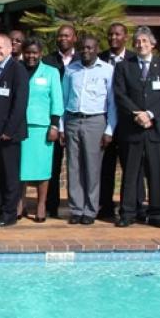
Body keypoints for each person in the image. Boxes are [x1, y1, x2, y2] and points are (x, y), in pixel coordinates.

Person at [60, 36, 116, 225]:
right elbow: (64, 99)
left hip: (95, 121)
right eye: (83, 48)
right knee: (74, 167)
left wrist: (109, 129)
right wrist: (61, 126)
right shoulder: (71, 70)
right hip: (73, 120)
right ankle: (76, 209)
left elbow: (112, 103)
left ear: (97, 49)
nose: (86, 51)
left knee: (92, 168)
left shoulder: (107, 70)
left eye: (90, 48)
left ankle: (90, 210)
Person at [113, 26, 160, 228]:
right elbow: (120, 94)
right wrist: (138, 114)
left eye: (145, 41)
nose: (141, 45)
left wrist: (150, 115)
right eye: (138, 41)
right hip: (132, 128)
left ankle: (156, 212)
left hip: (155, 129)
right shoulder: (124, 66)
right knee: (131, 173)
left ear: (153, 44)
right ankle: (128, 212)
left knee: (156, 172)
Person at [0, 33, 29, 227]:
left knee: (11, 176)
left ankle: (10, 214)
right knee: (0, 175)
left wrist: (9, 130)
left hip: (8, 134)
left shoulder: (16, 69)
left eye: (0, 47)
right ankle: (3, 209)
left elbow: (20, 104)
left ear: (10, 49)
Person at [97, 23, 141, 221]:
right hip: (105, 123)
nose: (113, 37)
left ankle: (133, 208)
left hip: (128, 124)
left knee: (131, 169)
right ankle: (105, 207)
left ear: (126, 37)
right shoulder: (100, 58)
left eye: (117, 34)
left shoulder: (134, 59)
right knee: (105, 168)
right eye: (110, 34)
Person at [17, 38, 63, 222]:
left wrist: (54, 125)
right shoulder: (17, 69)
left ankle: (41, 204)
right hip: (20, 126)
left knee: (42, 169)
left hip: (42, 128)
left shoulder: (51, 72)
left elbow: (57, 100)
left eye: (34, 52)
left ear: (41, 53)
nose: (31, 56)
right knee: (21, 168)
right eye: (28, 52)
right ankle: (21, 203)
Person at [42, 24, 80, 218]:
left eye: (67, 35)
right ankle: (51, 205)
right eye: (60, 36)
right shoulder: (47, 60)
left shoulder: (83, 59)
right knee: (53, 166)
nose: (63, 38)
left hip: (76, 121)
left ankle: (79, 207)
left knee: (78, 167)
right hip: (53, 121)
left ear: (74, 38)